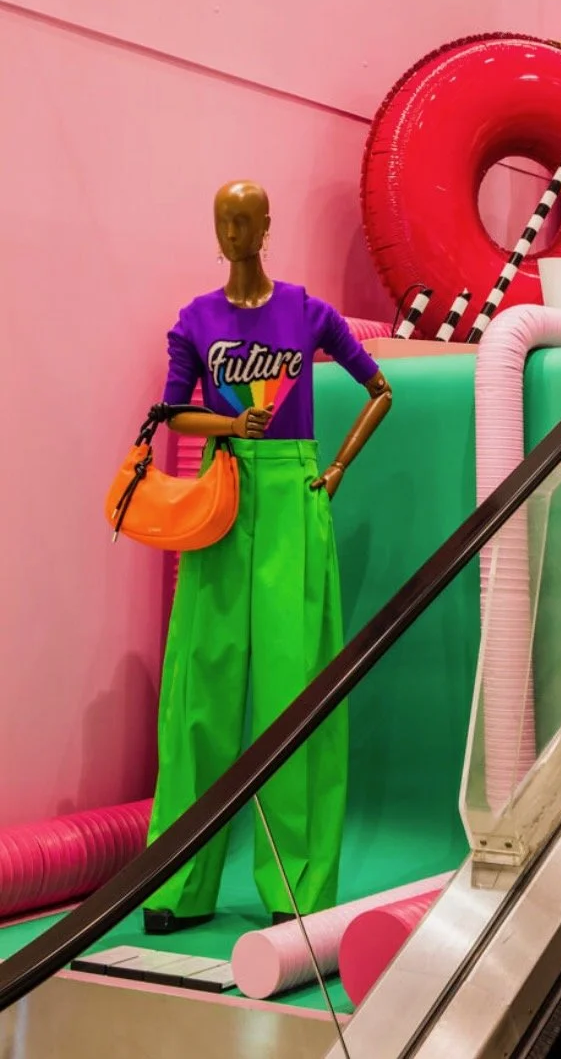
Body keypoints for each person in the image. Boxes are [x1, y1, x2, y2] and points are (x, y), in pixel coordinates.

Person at [143, 179, 392, 934]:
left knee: (296, 688)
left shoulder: (308, 311)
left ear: (266, 226)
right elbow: (168, 408)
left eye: (246, 219)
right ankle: (177, 884)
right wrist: (223, 423)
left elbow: (378, 387)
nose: (234, 232)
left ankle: (297, 887)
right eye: (224, 219)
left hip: (292, 490)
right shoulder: (195, 319)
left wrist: (339, 467)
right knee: (202, 684)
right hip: (220, 489)